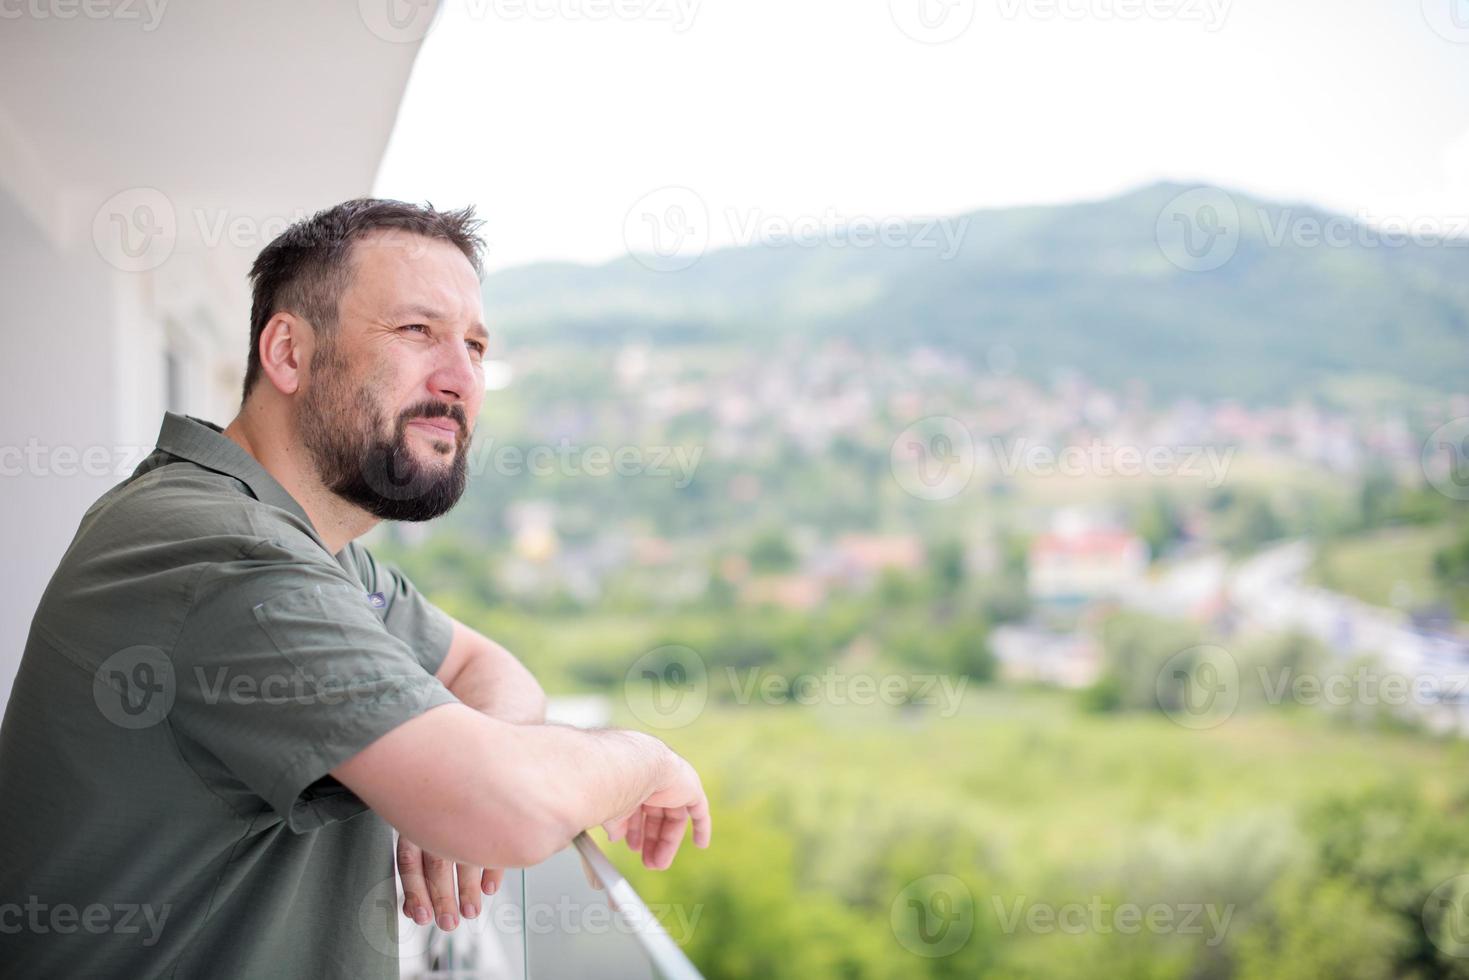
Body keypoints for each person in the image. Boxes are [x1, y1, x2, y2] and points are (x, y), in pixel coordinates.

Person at [0, 199, 711, 979]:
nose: (461, 378)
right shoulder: (218, 554)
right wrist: (644, 758)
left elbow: (489, 670)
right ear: (289, 353)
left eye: (474, 345)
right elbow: (510, 807)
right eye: (417, 332)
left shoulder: (316, 550)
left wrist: (449, 783)